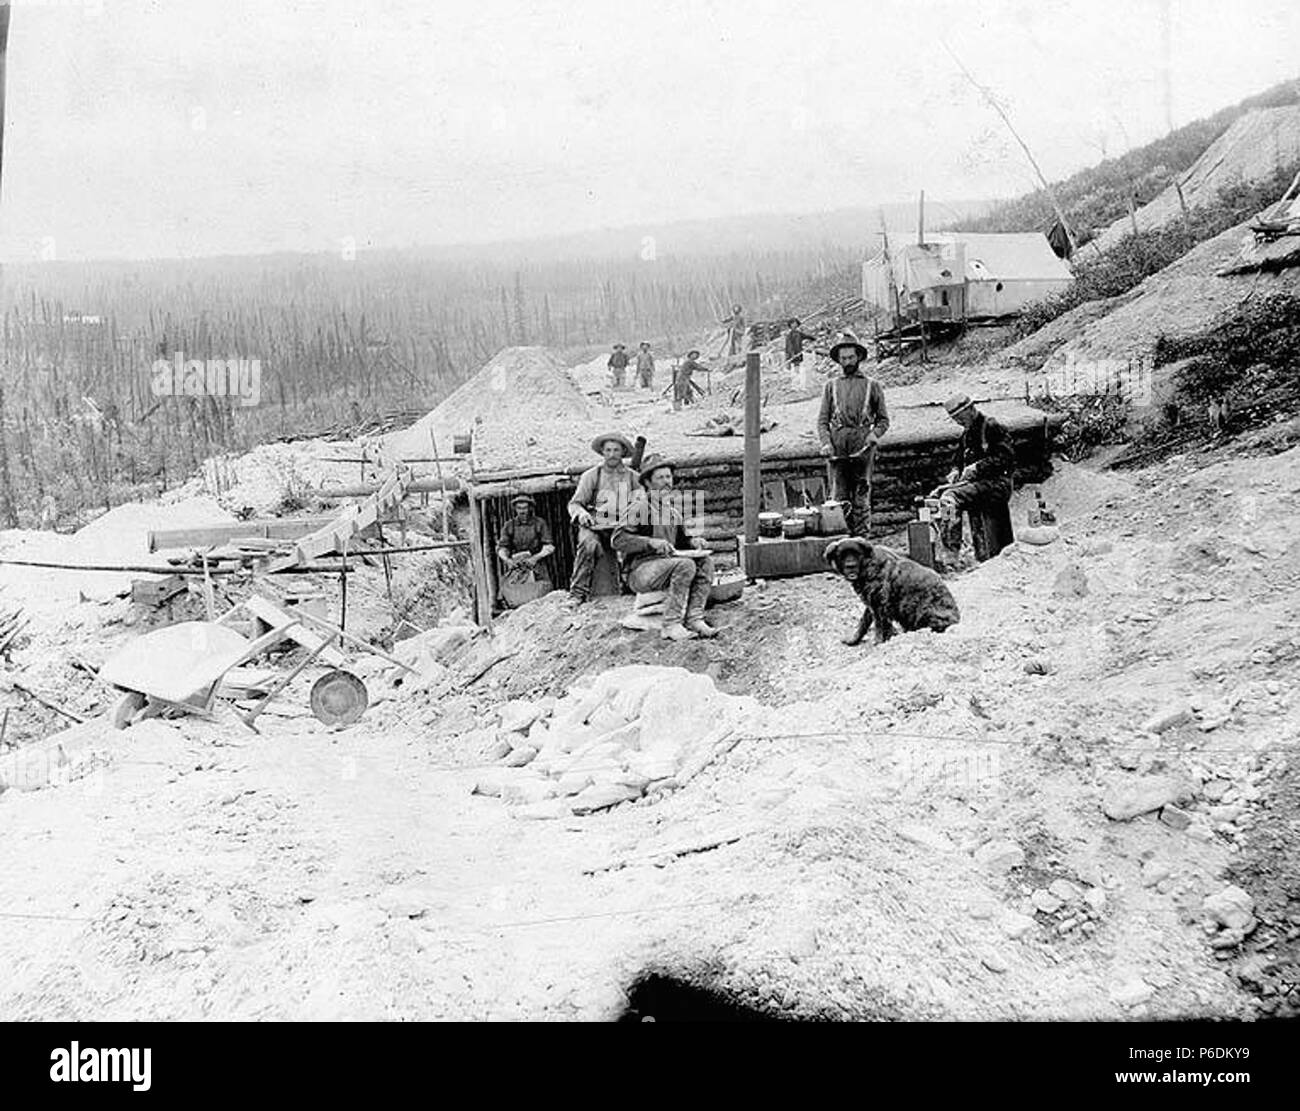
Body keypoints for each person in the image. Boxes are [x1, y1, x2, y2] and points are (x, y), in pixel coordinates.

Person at [612, 455, 717, 641]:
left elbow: (682, 544)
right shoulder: (640, 508)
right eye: (660, 478)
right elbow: (618, 539)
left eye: (668, 477)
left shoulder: (672, 512)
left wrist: (695, 542)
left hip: (666, 566)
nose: (666, 482)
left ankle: (694, 617)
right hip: (639, 570)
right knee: (685, 566)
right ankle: (671, 624)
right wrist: (649, 542)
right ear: (647, 482)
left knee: (705, 562)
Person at [816, 334, 890, 538]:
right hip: (837, 447)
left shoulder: (872, 385)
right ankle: (842, 541)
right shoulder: (831, 386)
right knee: (838, 498)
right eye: (843, 358)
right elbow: (822, 421)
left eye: (850, 357)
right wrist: (826, 443)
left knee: (861, 497)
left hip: (863, 448)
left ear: (858, 357)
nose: (847, 362)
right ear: (838, 360)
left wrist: (875, 434)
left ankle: (862, 542)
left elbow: (883, 420)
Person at [937, 393, 1016, 561]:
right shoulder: (968, 433)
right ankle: (955, 545)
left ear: (971, 409)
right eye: (955, 419)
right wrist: (955, 471)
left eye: (960, 417)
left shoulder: (991, 427)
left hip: (998, 484)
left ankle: (951, 551)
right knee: (937, 496)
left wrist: (977, 467)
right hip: (980, 485)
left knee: (949, 499)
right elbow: (958, 460)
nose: (958, 421)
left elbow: (1006, 458)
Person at [566, 432, 641, 604]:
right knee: (588, 545)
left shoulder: (633, 477)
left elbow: (645, 503)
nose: (612, 454)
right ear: (602, 452)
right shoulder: (591, 476)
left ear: (623, 452)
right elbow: (574, 504)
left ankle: (633, 588)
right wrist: (582, 514)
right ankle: (577, 593)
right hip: (595, 526)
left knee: (641, 544)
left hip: (622, 527)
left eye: (616, 450)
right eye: (608, 450)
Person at [496, 493, 555, 589]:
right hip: (517, 566)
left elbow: (549, 546)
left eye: (525, 508)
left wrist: (535, 558)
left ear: (530, 508)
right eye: (519, 508)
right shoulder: (509, 525)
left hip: (537, 564)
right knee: (515, 594)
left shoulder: (539, 523)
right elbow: (502, 547)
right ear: (515, 509)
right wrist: (508, 560)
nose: (522, 511)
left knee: (541, 592)